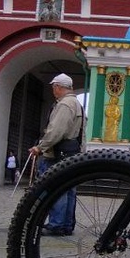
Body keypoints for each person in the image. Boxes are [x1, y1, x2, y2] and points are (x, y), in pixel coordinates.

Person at [29, 74, 84, 235]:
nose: (53, 90)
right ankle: (67, 224)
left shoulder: (64, 104)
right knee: (69, 189)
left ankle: (56, 224)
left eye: (54, 87)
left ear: (58, 87)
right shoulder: (77, 104)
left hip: (57, 153)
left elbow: (56, 131)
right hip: (72, 152)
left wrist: (40, 147)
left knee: (56, 188)